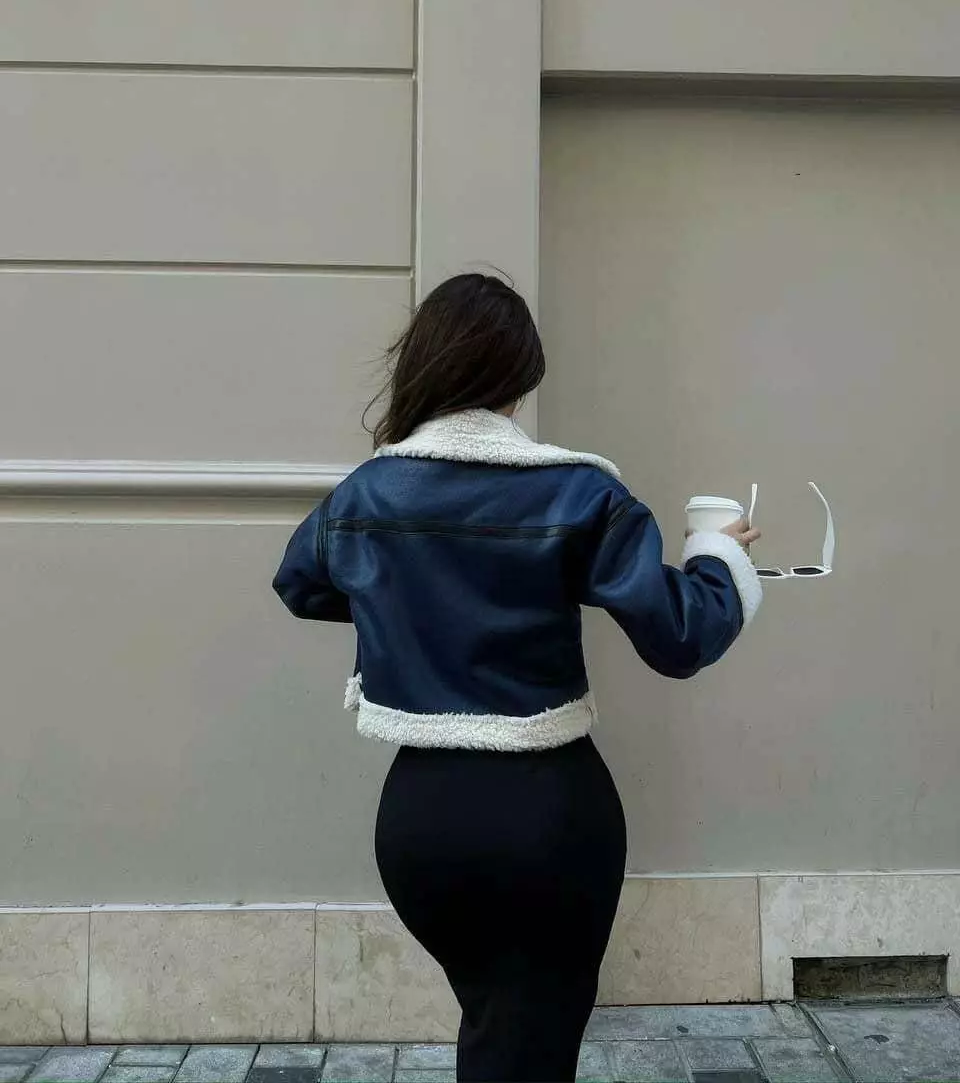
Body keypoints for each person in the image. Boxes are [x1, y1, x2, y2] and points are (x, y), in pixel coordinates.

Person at [273, 273, 762, 1083]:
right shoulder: (578, 491)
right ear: (521, 378)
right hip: (545, 820)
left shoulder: (366, 493)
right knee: (527, 1046)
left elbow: (301, 584)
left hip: (419, 824)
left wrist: (412, 608)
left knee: (497, 1032)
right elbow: (681, 635)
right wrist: (719, 557)